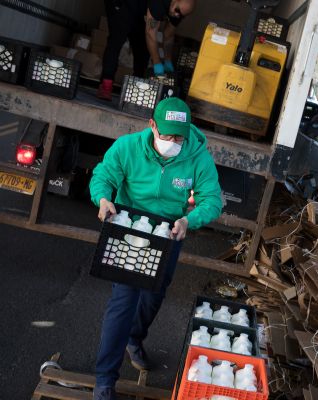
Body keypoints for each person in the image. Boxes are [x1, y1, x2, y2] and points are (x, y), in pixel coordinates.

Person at [89, 97, 222, 399]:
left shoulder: (197, 156)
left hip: (168, 234)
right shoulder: (128, 147)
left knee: (153, 295)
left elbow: (212, 199)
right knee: (124, 299)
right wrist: (103, 199)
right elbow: (103, 176)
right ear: (152, 126)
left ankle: (134, 339)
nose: (174, 142)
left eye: (179, 136)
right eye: (167, 135)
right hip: (130, 229)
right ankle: (105, 379)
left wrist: (190, 219)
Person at [97, 0, 196, 100]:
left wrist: (167, 60)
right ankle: (106, 85)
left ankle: (136, 89)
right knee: (117, 39)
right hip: (123, 3)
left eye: (181, 15)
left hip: (141, 8)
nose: (176, 15)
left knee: (143, 48)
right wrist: (157, 62)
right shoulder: (162, 2)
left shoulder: (179, 10)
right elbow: (151, 32)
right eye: (177, 11)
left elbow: (168, 34)